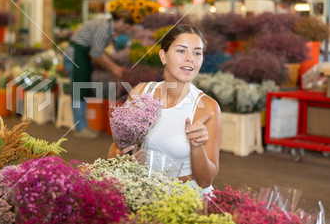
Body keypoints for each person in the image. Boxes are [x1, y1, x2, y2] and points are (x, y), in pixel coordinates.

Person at [107, 24, 222, 193]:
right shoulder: (141, 92)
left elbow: (205, 181)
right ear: (163, 56)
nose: (190, 58)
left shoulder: (207, 108)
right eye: (181, 51)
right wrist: (120, 160)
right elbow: (116, 148)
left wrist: (197, 147)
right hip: (142, 193)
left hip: (186, 200)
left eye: (197, 53)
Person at [63, 10, 135, 139]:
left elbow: (99, 52)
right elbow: (96, 54)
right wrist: (113, 68)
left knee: (82, 91)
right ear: (121, 21)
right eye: (127, 27)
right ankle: (80, 128)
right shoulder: (104, 28)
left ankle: (82, 126)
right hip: (75, 57)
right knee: (78, 92)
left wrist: (113, 66)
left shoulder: (107, 27)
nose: (126, 31)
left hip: (81, 58)